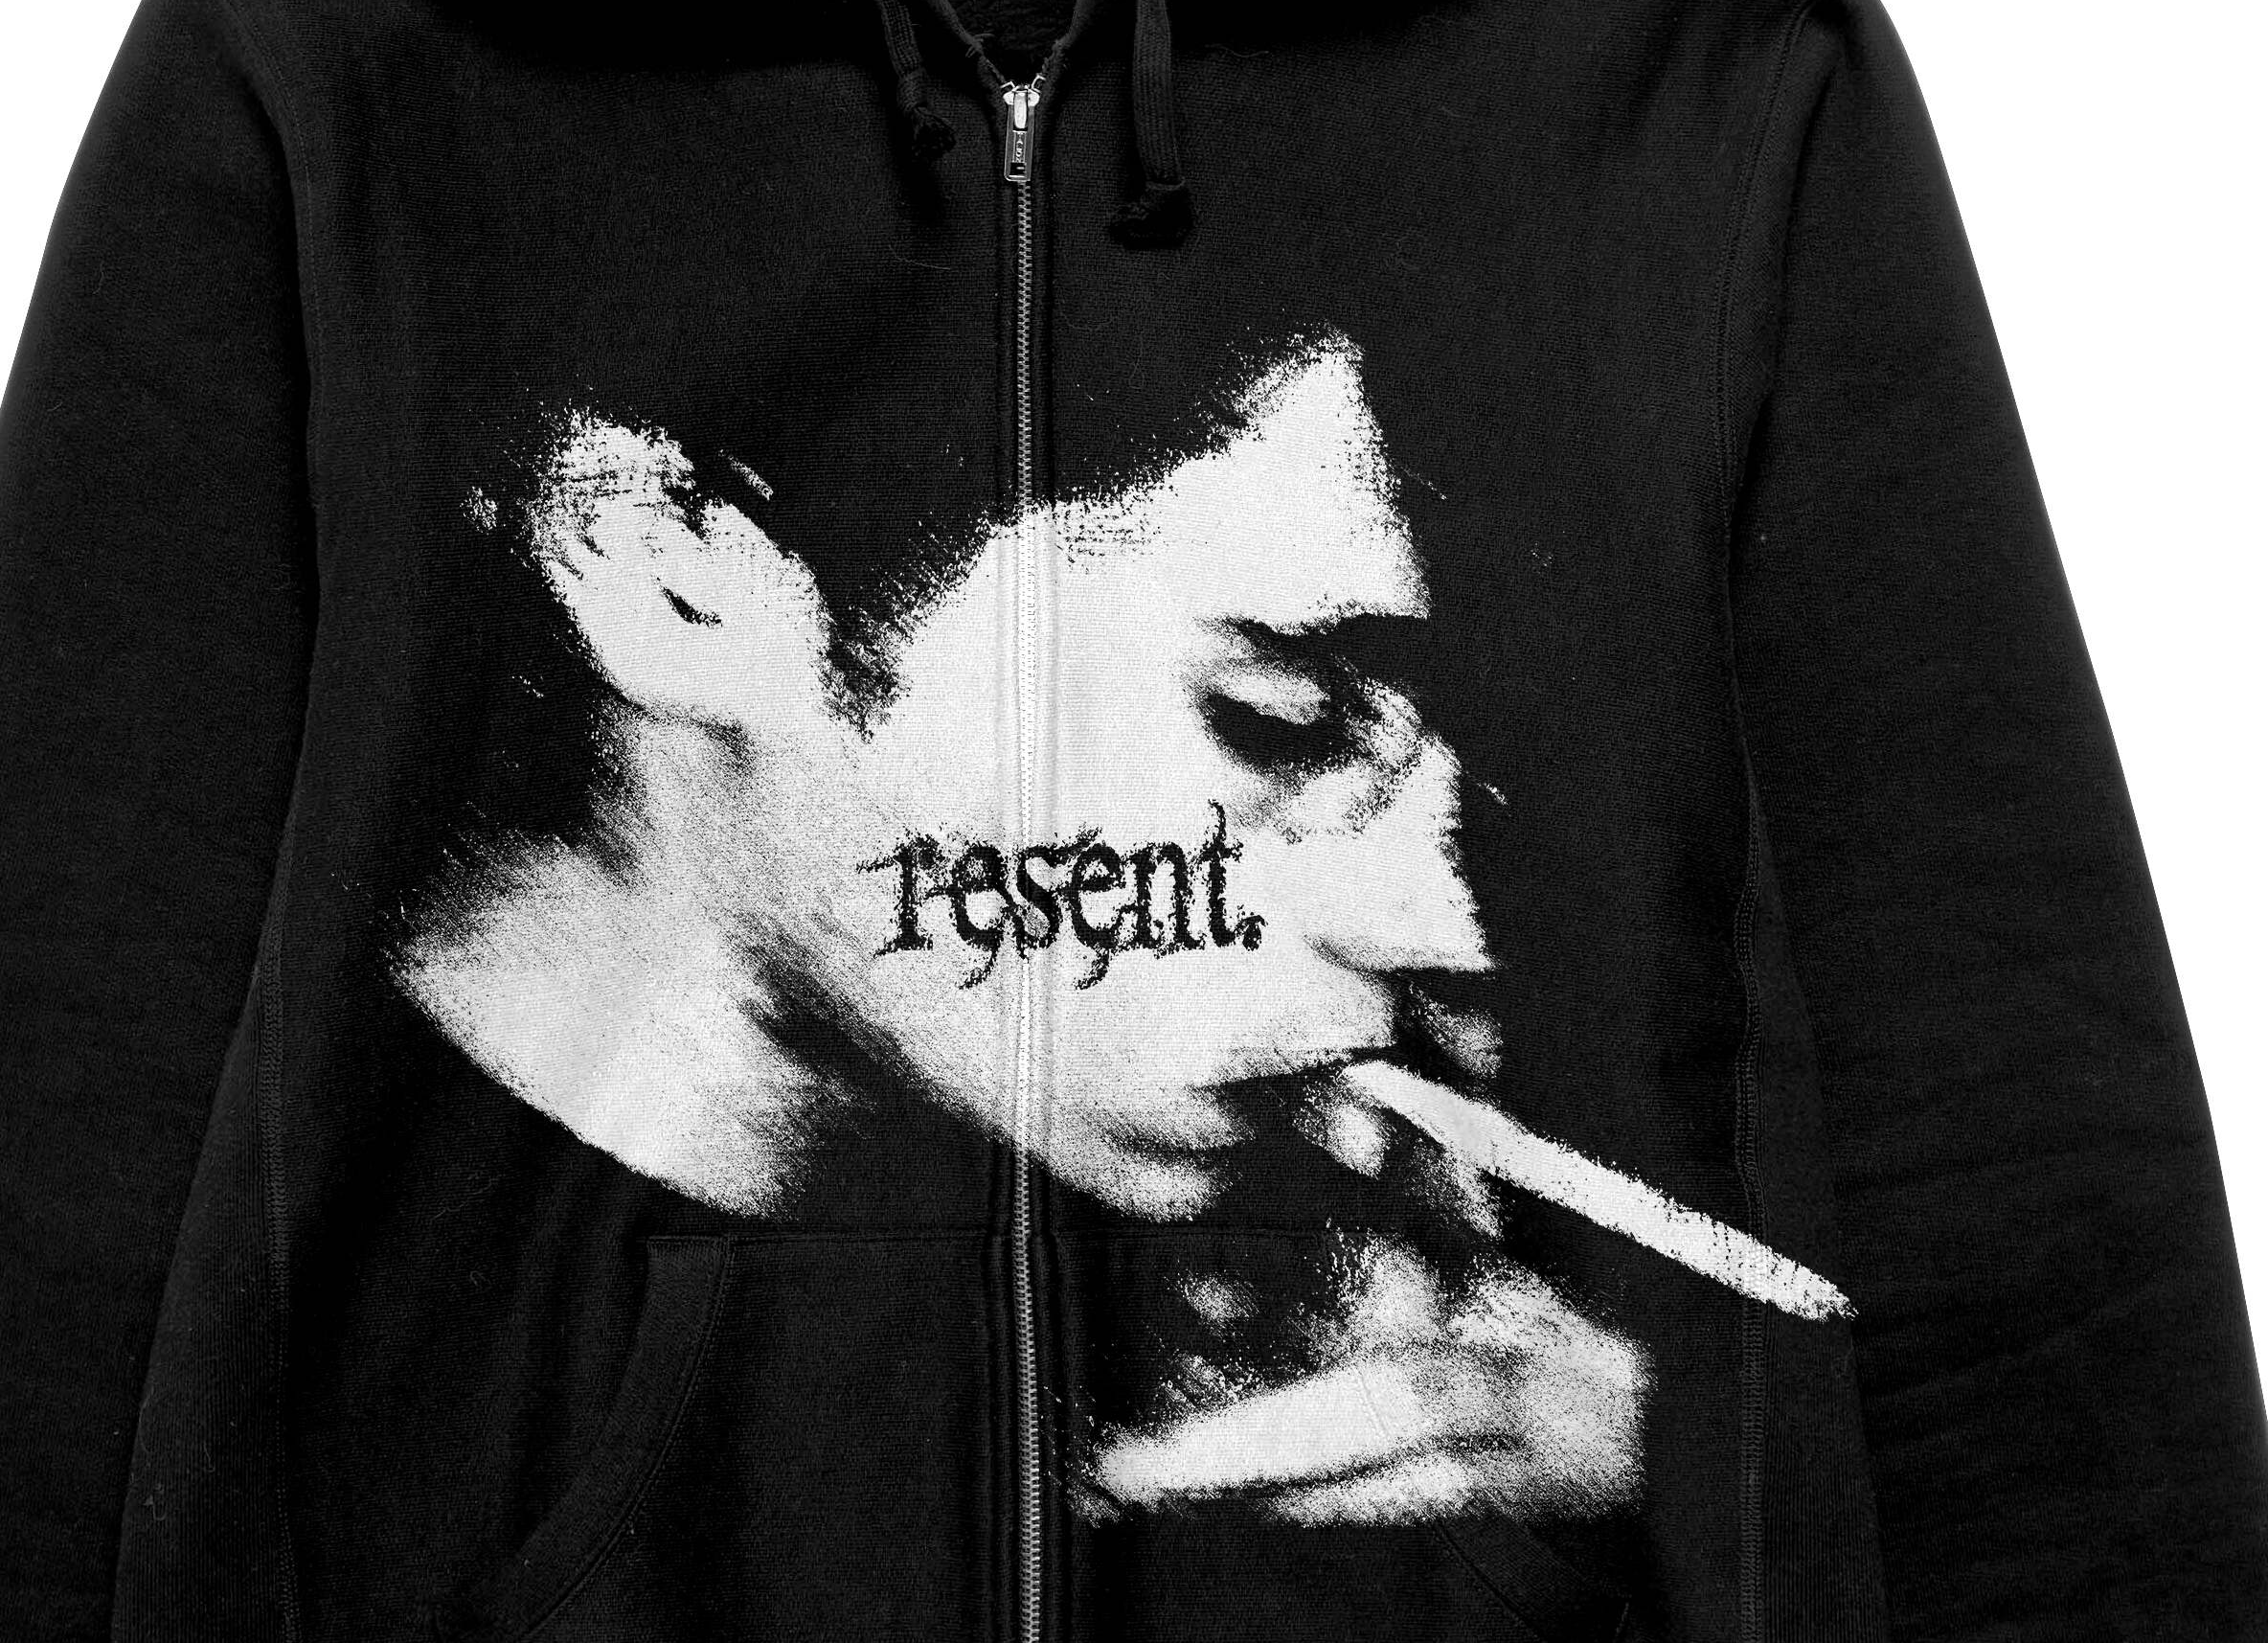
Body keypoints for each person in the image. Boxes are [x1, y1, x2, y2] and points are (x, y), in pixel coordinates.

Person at [397, 324, 1655, 1524]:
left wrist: (1635, 1474)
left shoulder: (1338, 1296)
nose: (1445, 928)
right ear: (670, 584)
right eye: (1276, 717)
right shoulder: (389, 1379)